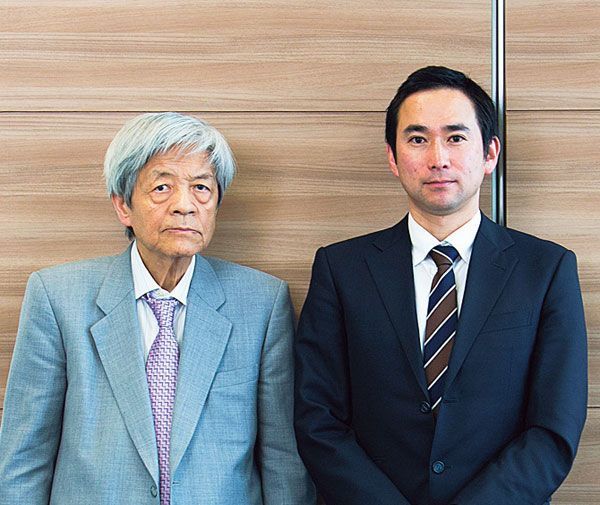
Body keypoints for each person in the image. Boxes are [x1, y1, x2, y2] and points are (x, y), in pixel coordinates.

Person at [294, 66, 587, 505]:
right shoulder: (341, 268)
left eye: (455, 137)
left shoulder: (546, 270)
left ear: (490, 154)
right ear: (393, 158)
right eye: (417, 139)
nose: (438, 158)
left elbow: (553, 430)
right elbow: (318, 419)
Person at [0, 112, 315, 505]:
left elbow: (283, 459)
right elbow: (24, 459)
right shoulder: (57, 297)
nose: (185, 205)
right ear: (123, 206)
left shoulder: (262, 303)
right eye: (162, 187)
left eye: (201, 187)